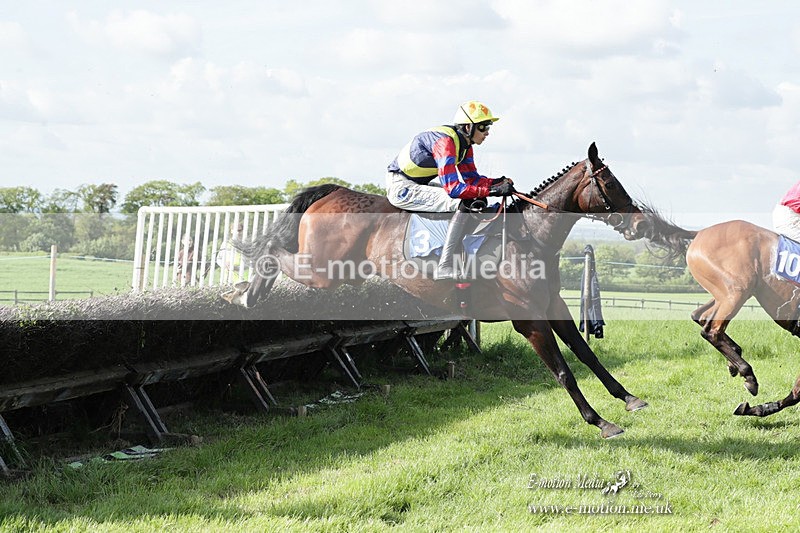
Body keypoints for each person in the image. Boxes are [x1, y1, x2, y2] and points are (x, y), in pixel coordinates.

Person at [386, 101, 515, 280]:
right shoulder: (445, 143)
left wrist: (496, 183)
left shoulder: (464, 146)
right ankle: (444, 265)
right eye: (483, 126)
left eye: (489, 127)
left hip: (418, 185)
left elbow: (473, 180)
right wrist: (492, 191)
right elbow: (454, 189)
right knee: (463, 202)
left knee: (477, 200)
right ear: (468, 127)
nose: (487, 132)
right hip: (402, 188)